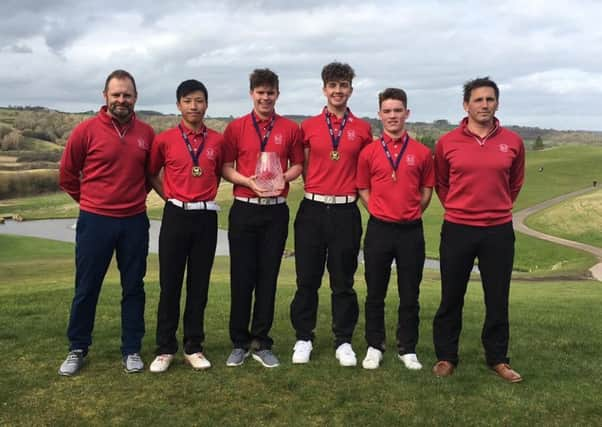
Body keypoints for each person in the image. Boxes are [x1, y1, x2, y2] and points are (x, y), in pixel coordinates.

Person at [58, 69, 155, 376]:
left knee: (133, 288)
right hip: (95, 221)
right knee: (86, 287)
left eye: (127, 94)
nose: (121, 100)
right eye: (116, 95)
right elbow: (67, 175)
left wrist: (132, 198)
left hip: (134, 221)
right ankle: (77, 347)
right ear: (105, 97)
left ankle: (131, 349)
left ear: (136, 97)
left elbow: (149, 177)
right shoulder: (85, 131)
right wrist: (90, 202)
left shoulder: (146, 133)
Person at [432, 77, 525, 383]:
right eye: (478, 100)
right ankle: (446, 356)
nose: (484, 105)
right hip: (458, 228)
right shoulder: (447, 142)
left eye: (490, 99)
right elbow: (443, 184)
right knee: (451, 296)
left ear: (496, 103)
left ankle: (498, 358)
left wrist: (496, 208)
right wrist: (462, 208)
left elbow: (515, 183)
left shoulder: (512, 141)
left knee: (497, 297)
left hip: (497, 230)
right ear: (466, 105)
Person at [290, 62, 372, 366]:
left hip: (346, 211)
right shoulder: (308, 126)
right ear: (324, 89)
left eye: (344, 85)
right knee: (307, 279)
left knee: (343, 280)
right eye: (333, 85)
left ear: (351, 89)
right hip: (312, 208)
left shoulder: (362, 129)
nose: (338, 91)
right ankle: (303, 337)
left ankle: (343, 340)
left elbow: (367, 171)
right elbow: (305, 165)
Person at [222, 68, 304, 368]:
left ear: (277, 95)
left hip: (276, 209)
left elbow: (298, 164)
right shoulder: (236, 128)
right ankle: (239, 342)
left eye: (270, 92)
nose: (265, 97)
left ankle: (261, 342)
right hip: (245, 207)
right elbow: (225, 168)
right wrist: (246, 180)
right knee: (241, 277)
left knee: (268, 276)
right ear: (251, 94)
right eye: (260, 92)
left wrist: (284, 176)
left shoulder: (290, 128)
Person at [147, 80, 223, 373]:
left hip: (206, 217)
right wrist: (170, 196)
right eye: (188, 100)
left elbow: (217, 175)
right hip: (175, 215)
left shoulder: (217, 140)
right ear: (179, 104)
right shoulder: (164, 139)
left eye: (200, 100)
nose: (194, 106)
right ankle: (165, 348)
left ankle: (194, 347)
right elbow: (152, 173)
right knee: (170, 284)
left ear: (206, 104)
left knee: (199, 285)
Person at [356, 88, 434, 370]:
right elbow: (363, 187)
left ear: (407, 113)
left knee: (409, 293)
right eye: (387, 111)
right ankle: (374, 345)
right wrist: (376, 210)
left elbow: (427, 190)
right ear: (379, 114)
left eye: (397, 110)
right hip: (379, 229)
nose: (392, 116)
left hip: (411, 230)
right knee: (375, 292)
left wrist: (411, 212)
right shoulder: (369, 153)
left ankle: (407, 348)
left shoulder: (422, 153)